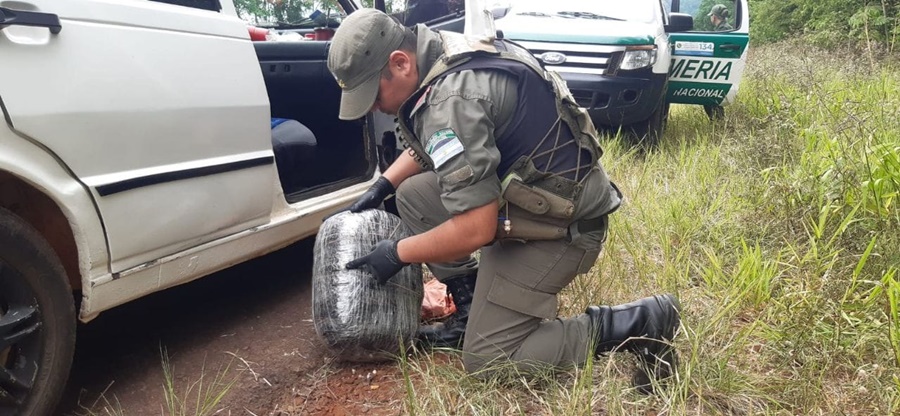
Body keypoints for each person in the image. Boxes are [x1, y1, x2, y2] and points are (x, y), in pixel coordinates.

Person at [329, 8, 680, 392]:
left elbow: (475, 227)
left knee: (489, 360)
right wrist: (384, 184)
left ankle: (638, 322)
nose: (375, 107)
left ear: (400, 63)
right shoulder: (444, 52)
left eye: (374, 94)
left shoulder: (449, 101)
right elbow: (449, 144)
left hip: (561, 227)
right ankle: (470, 311)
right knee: (412, 195)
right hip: (531, 199)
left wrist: (397, 252)